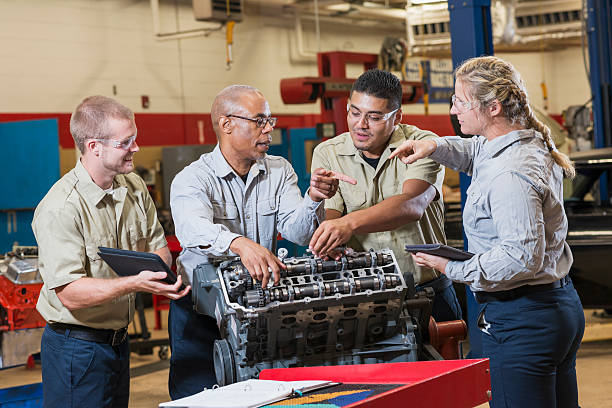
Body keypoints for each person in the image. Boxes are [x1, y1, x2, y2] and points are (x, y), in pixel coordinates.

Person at [389, 56, 585, 408]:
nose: (453, 109)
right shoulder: (523, 145)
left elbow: (521, 257)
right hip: (554, 308)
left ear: (493, 107)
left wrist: (451, 268)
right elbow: (478, 151)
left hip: (523, 319)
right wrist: (434, 145)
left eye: (460, 101)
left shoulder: (510, 176)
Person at [169, 85, 355, 399]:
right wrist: (239, 243)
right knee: (197, 396)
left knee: (261, 391)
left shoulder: (278, 170)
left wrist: (314, 197)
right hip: (201, 311)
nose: (269, 128)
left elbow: (296, 231)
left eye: (270, 120)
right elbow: (191, 229)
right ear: (226, 124)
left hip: (257, 303)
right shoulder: (193, 179)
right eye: (259, 120)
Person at [32, 95, 190, 408]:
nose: (136, 148)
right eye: (126, 142)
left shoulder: (133, 187)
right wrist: (136, 283)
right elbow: (70, 292)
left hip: (118, 342)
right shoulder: (61, 208)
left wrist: (161, 274)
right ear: (94, 147)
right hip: (75, 349)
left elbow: (158, 245)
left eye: (135, 138)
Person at [309, 69, 462, 322]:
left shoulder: (423, 143)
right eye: (354, 112)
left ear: (397, 117)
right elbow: (331, 217)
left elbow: (412, 204)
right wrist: (329, 233)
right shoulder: (328, 153)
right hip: (364, 296)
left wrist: (347, 224)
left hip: (428, 294)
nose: (361, 124)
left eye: (374, 117)